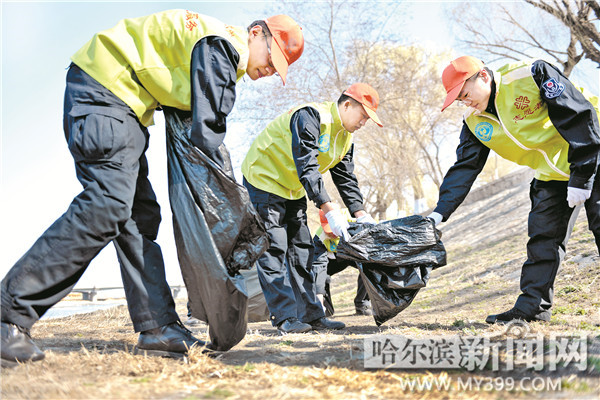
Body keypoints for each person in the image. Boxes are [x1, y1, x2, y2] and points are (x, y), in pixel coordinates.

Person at [0, 10, 304, 366]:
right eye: (272, 57)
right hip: (105, 92)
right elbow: (207, 131)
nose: (270, 70)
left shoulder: (218, 46)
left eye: (278, 68)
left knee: (138, 218)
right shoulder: (223, 45)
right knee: (107, 205)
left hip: (123, 105)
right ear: (255, 33)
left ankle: (158, 325)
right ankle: (9, 313)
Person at [428, 56, 600, 324]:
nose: (465, 102)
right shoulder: (473, 121)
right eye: (459, 100)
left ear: (483, 76)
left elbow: (578, 116)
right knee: (543, 238)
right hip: (551, 173)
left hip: (591, 151)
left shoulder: (531, 75)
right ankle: (533, 307)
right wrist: (439, 213)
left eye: (465, 94)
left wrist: (582, 173)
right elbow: (465, 167)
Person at [241, 83, 381, 334]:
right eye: (363, 115)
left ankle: (312, 315)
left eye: (368, 119)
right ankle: (284, 318)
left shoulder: (345, 138)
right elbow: (307, 165)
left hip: (291, 188)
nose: (364, 123)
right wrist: (329, 209)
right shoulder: (310, 116)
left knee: (302, 249)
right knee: (274, 247)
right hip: (264, 179)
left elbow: (345, 178)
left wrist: (361, 214)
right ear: (347, 105)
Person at [312, 210, 372, 316]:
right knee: (320, 276)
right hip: (333, 260)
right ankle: (326, 310)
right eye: (328, 230)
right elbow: (318, 267)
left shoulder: (355, 225)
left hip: (352, 255)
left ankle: (362, 304)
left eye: (332, 230)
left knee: (369, 267)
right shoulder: (319, 237)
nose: (331, 233)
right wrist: (318, 296)